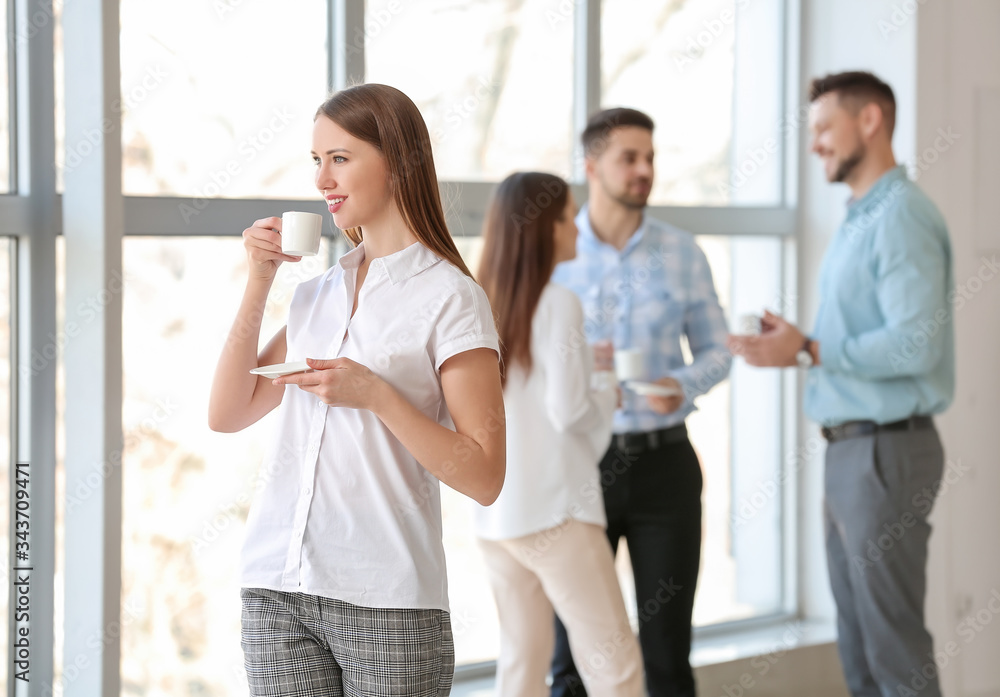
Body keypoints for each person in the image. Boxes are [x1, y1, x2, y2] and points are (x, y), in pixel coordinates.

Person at [208, 83, 506, 697]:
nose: (322, 181)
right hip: (277, 588)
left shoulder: (450, 297)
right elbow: (228, 411)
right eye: (316, 161)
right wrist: (259, 281)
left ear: (396, 162)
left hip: (388, 600)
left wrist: (376, 394)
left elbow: (484, 474)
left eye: (339, 158)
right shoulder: (317, 292)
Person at [729, 71, 954, 697]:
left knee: (892, 647)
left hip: (885, 452)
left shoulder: (900, 216)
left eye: (824, 127)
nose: (815, 144)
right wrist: (800, 343)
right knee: (859, 647)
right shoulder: (863, 217)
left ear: (871, 120)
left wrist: (806, 347)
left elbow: (916, 341)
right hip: (853, 452)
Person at [550, 108, 732, 697]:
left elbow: (718, 351)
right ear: (592, 166)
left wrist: (682, 384)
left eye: (649, 158)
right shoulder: (558, 254)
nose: (643, 170)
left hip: (664, 466)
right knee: (573, 653)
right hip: (579, 466)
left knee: (667, 653)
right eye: (629, 158)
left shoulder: (683, 252)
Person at [473, 172, 644, 697]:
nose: (577, 227)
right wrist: (607, 389)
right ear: (542, 227)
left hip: (498, 517)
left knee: (520, 667)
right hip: (559, 513)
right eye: (568, 216)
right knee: (616, 669)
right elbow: (569, 411)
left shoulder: (479, 300)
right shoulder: (559, 302)